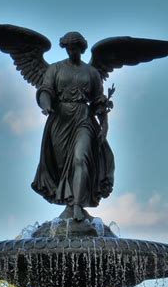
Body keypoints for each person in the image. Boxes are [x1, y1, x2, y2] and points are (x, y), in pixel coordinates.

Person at [32, 32, 115, 221]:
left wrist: (104, 125)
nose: (72, 50)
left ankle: (77, 205)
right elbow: (45, 90)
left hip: (83, 118)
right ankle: (70, 204)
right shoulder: (55, 69)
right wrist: (46, 104)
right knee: (63, 167)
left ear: (82, 48)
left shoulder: (91, 72)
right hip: (59, 120)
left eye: (75, 47)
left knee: (80, 158)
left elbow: (98, 101)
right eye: (68, 47)